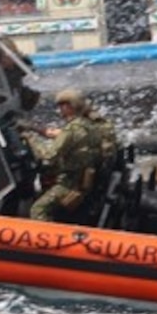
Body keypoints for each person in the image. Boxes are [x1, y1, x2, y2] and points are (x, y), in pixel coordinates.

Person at [23, 87, 99, 223]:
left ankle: (45, 238)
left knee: (37, 210)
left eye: (61, 106)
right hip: (84, 179)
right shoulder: (88, 126)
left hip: (69, 183)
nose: (60, 110)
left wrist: (30, 138)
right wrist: (36, 128)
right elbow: (66, 138)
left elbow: (48, 155)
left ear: (69, 106)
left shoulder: (70, 130)